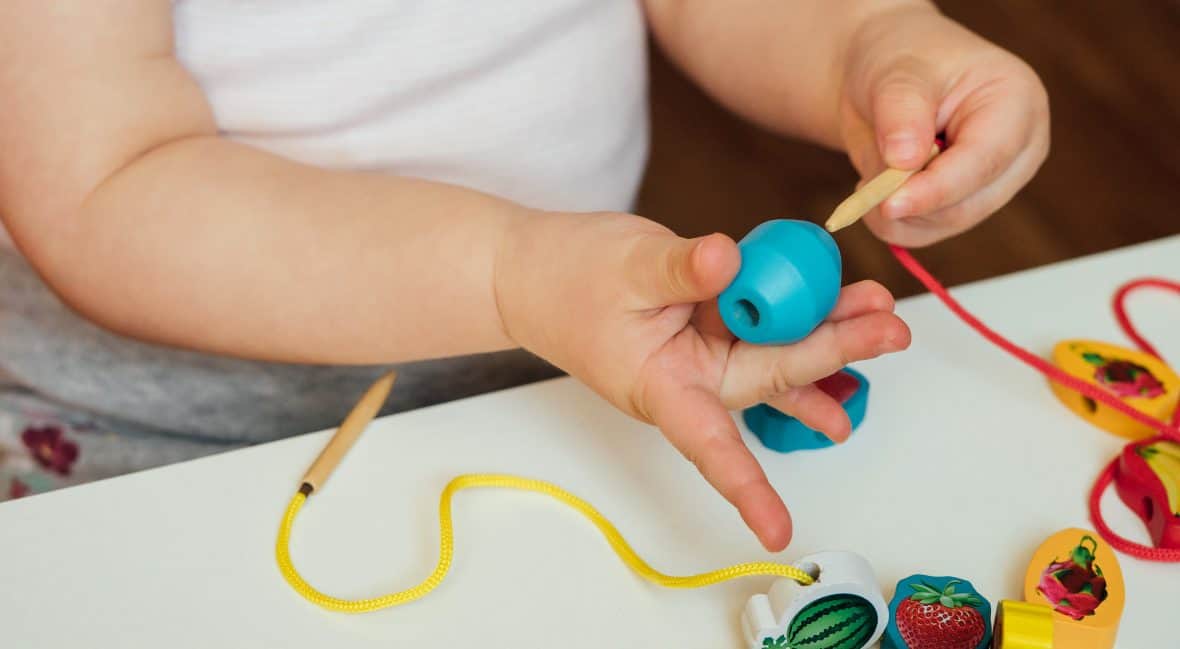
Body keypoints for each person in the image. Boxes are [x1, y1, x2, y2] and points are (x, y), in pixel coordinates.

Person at [0, 1, 1048, 550]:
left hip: (561, 357)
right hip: (163, 436)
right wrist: (509, 268)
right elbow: (104, 185)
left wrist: (866, 38)